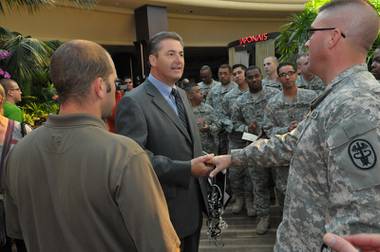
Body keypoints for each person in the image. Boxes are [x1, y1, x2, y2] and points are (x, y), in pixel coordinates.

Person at [210, 0, 380, 251]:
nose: (307, 43)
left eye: (312, 34)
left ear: (333, 37)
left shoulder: (356, 105)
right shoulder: (336, 99)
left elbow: (363, 218)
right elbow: (291, 143)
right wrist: (232, 158)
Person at [3, 40, 180, 252]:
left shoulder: (19, 153)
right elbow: (160, 245)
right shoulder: (124, 155)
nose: (115, 90)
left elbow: (16, 231)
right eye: (113, 83)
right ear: (99, 87)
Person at [115, 32, 213, 252]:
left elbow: (184, 141)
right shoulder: (133, 102)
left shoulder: (180, 94)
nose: (178, 60)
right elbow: (135, 162)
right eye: (170, 54)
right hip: (164, 211)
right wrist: (186, 168)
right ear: (152, 60)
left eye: (181, 54)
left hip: (193, 207)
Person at [231, 65, 280, 234]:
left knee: (280, 184)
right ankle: (263, 217)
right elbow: (235, 123)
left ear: (260, 76)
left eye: (256, 76)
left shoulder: (274, 94)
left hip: (275, 146)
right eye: (250, 77)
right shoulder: (240, 101)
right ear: (246, 79)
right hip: (254, 147)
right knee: (259, 184)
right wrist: (246, 127)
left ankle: (283, 217)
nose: (253, 80)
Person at [263, 62, 317, 212]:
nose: (287, 77)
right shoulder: (273, 103)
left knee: (310, 192)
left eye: (290, 73)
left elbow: (322, 121)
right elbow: (268, 129)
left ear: (296, 75)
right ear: (278, 79)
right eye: (283, 75)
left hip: (308, 154)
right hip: (283, 157)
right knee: (283, 193)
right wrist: (286, 129)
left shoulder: (311, 97)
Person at [221, 64, 254, 216]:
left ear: (246, 74)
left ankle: (249, 200)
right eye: (234, 74)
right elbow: (223, 116)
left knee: (251, 171)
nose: (237, 76)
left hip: (254, 139)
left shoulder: (255, 92)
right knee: (234, 172)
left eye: (239, 72)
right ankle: (239, 198)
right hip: (236, 139)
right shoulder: (228, 97)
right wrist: (237, 127)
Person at [0, 84, 30, 252]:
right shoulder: (19, 122)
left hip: (15, 210)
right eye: (18, 89)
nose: (21, 91)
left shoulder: (22, 131)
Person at [206, 64, 237, 155]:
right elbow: (207, 107)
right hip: (216, 130)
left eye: (225, 73)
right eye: (220, 74)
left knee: (230, 155)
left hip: (231, 130)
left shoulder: (236, 89)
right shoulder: (214, 90)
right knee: (216, 155)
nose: (222, 76)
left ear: (230, 75)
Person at [185, 82, 219, 154]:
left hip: (209, 149)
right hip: (192, 150)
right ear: (190, 95)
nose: (201, 93)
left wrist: (209, 128)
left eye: (201, 90)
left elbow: (218, 126)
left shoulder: (208, 109)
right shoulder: (185, 111)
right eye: (198, 91)